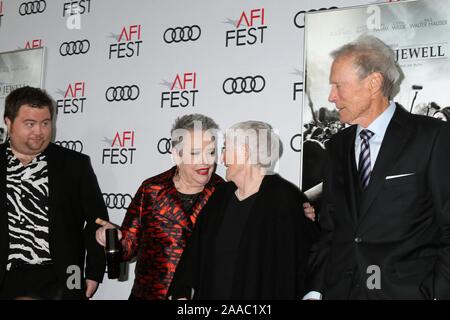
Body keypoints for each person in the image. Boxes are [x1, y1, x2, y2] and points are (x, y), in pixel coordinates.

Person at [306, 35, 450, 299]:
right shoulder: (337, 145)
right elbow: (331, 230)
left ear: (373, 83)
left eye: (338, 85)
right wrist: (315, 290)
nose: (331, 96)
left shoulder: (433, 137)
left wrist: (436, 294)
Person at [169, 121, 318, 300]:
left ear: (245, 153)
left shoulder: (287, 200)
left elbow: (303, 266)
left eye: (226, 149)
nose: (221, 159)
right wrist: (182, 291)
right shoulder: (220, 196)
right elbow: (195, 250)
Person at [96, 114, 223, 300]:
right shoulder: (152, 190)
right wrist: (114, 238)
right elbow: (128, 247)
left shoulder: (224, 194)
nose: (206, 161)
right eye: (195, 153)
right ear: (176, 155)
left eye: (211, 152)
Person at [0, 86, 108, 300]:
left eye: (46, 123)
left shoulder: (75, 164)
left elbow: (98, 221)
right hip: (5, 278)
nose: (39, 131)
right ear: (8, 122)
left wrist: (94, 273)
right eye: (30, 124)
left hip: (65, 277)